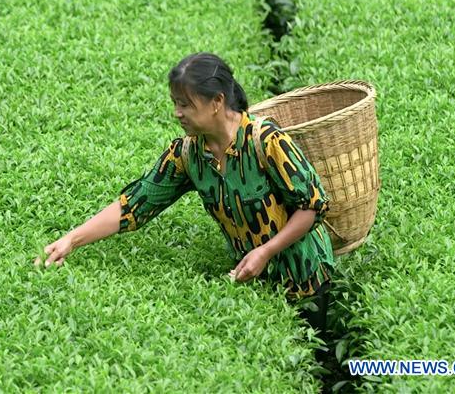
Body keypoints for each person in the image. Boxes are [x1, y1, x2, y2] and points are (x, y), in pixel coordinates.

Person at [33, 52, 337, 349]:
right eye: (175, 104)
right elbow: (135, 205)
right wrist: (71, 240)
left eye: (185, 105)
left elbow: (311, 206)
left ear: (217, 101)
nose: (177, 113)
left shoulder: (266, 140)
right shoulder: (188, 155)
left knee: (311, 355)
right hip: (252, 278)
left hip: (304, 275)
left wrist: (266, 251)